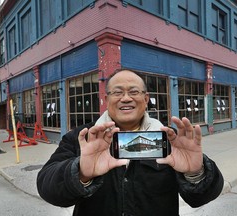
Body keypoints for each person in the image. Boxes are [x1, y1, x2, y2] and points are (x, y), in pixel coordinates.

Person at [37, 69, 224, 216]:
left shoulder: (170, 139)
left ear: (146, 98)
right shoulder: (83, 137)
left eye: (133, 92)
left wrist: (196, 174)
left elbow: (200, 198)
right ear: (106, 98)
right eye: (117, 92)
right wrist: (81, 173)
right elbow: (47, 186)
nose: (126, 98)